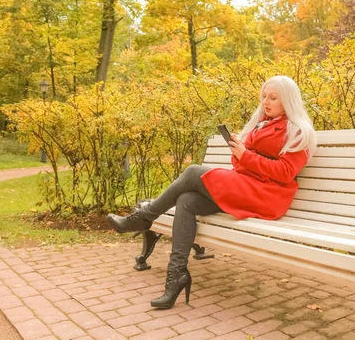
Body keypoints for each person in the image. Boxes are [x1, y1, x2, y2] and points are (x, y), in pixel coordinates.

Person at [107, 75, 317, 309]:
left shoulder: (298, 131)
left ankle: (143, 218)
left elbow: (286, 172)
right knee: (186, 200)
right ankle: (176, 277)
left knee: (193, 172)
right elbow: (242, 167)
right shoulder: (261, 125)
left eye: (273, 97)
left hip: (267, 195)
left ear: (288, 99)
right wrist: (240, 151)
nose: (266, 102)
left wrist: (245, 155)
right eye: (264, 96)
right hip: (246, 187)